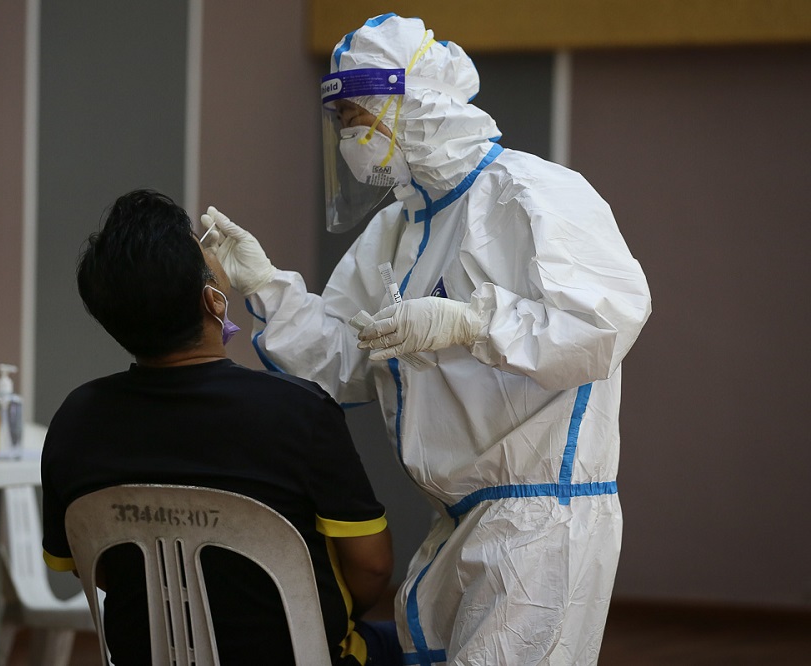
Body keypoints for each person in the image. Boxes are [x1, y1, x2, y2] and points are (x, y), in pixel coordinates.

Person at [198, 13, 652, 666]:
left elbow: (603, 324)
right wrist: (266, 285)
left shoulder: (531, 193)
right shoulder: (396, 232)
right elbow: (346, 357)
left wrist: (471, 322)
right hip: (457, 521)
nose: (351, 135)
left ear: (418, 100)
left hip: (540, 523)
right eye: (343, 120)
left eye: (361, 114)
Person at [40, 189, 403, 665]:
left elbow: (97, 565)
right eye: (206, 252)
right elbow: (373, 567)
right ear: (214, 300)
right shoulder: (299, 412)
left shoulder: (75, 421)